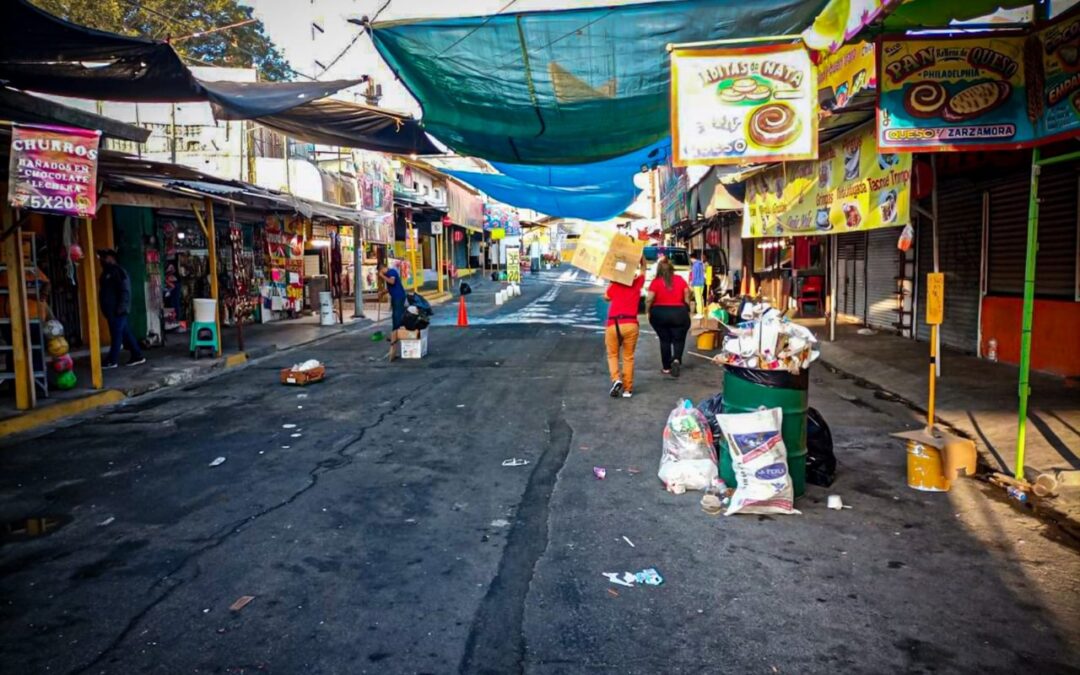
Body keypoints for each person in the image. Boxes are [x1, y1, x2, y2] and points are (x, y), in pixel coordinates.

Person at [603, 260, 645, 399]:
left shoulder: (615, 285)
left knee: (612, 355)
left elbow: (606, 297)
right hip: (631, 324)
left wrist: (612, 280)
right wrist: (641, 258)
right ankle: (627, 389)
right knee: (628, 357)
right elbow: (644, 270)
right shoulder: (637, 283)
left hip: (613, 324)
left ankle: (616, 379)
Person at [98, 249, 145, 368]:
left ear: (112, 258)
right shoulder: (107, 273)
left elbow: (125, 291)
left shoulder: (118, 272)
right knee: (125, 333)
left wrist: (122, 308)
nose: (102, 260)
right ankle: (137, 355)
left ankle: (112, 360)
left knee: (116, 335)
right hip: (111, 311)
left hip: (118, 310)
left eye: (105, 257)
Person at [646, 257, 692, 377]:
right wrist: (687, 307)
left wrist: (648, 311)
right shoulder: (680, 279)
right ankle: (676, 359)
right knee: (679, 338)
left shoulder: (656, 282)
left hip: (660, 313)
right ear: (672, 269)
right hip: (679, 313)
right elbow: (687, 293)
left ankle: (666, 367)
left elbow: (649, 299)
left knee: (664, 340)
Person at [378, 261, 407, 332]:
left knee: (397, 315)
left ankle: (396, 332)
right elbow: (391, 287)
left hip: (399, 296)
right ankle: (398, 331)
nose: (381, 274)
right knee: (397, 314)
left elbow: (392, 282)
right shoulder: (388, 274)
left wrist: (382, 276)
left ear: (382, 269)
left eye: (380, 272)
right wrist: (382, 292)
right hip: (395, 296)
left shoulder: (392, 272)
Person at [690, 251, 706, 318]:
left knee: (698, 299)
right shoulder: (701, 264)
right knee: (701, 298)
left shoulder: (694, 265)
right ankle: (702, 312)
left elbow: (694, 276)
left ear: (692, 258)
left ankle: (699, 313)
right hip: (702, 283)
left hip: (696, 283)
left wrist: (692, 283)